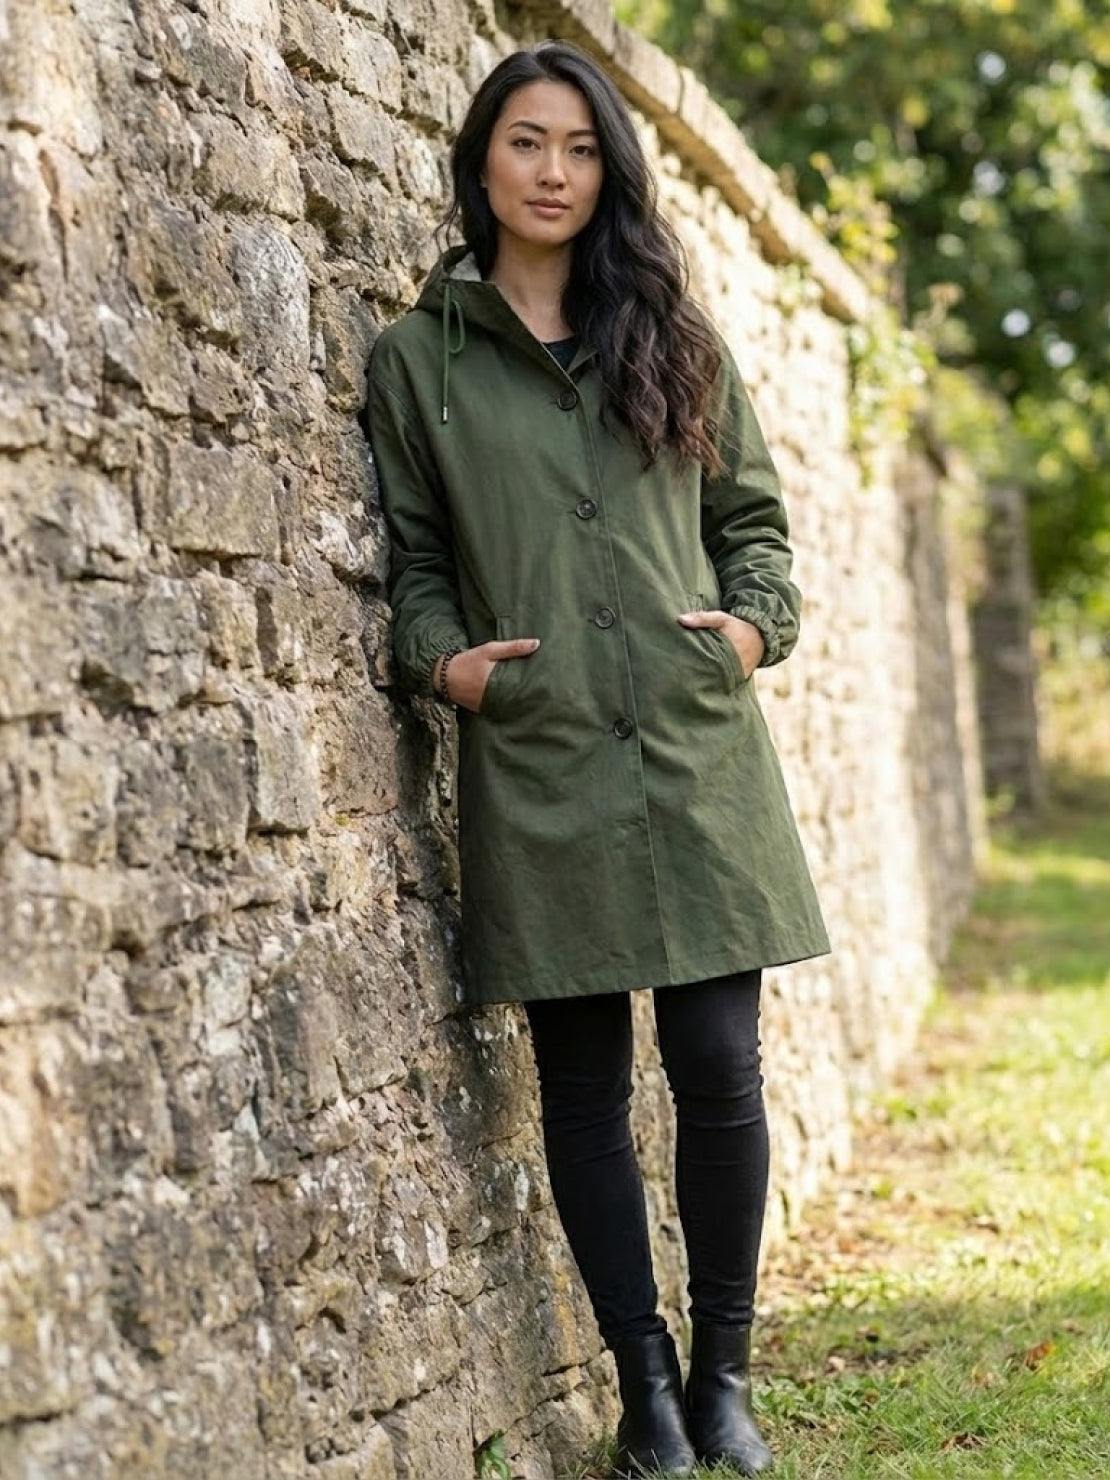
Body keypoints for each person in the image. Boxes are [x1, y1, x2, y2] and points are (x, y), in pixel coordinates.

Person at [362, 38, 832, 1480]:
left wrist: (746, 633)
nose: (553, 172)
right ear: (480, 162)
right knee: (580, 1088)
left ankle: (726, 1379)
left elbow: (755, 527)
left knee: (718, 1065)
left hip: (695, 751)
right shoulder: (418, 362)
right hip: (542, 757)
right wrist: (448, 667)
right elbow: (415, 559)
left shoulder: (675, 336)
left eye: (578, 147)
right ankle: (646, 1393)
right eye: (526, 142)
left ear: (609, 171)